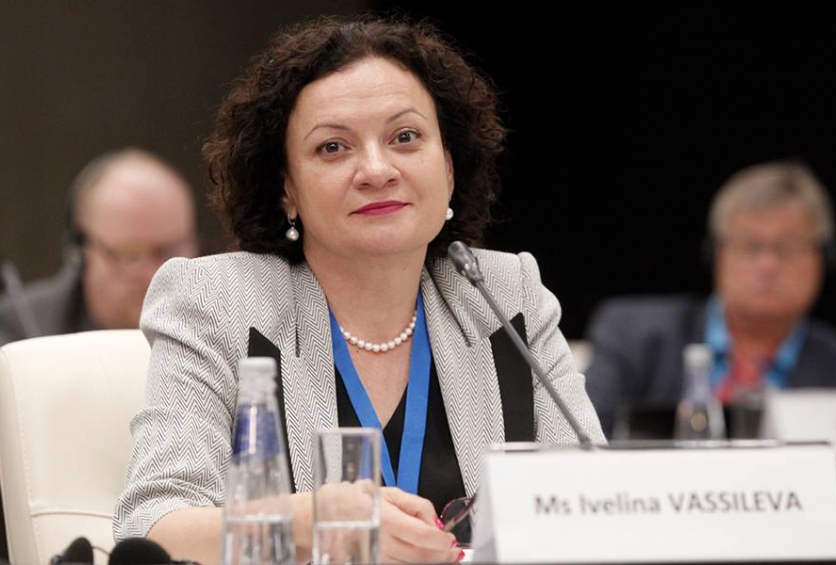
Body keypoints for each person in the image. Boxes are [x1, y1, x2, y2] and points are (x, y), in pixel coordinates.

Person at [113, 15, 605, 565]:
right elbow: (152, 529)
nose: (376, 169)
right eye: (333, 147)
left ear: (447, 168)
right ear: (286, 188)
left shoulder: (506, 296)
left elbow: (596, 504)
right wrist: (317, 522)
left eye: (405, 137)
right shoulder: (216, 302)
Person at [585, 161, 836, 438]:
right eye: (749, 246)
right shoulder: (636, 338)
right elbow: (582, 444)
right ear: (716, 254)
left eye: (789, 248)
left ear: (824, 259)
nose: (768, 265)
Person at [0, 148, 199, 346]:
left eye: (169, 252)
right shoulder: (16, 334)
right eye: (130, 257)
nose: (154, 275)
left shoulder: (212, 320)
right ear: (80, 251)